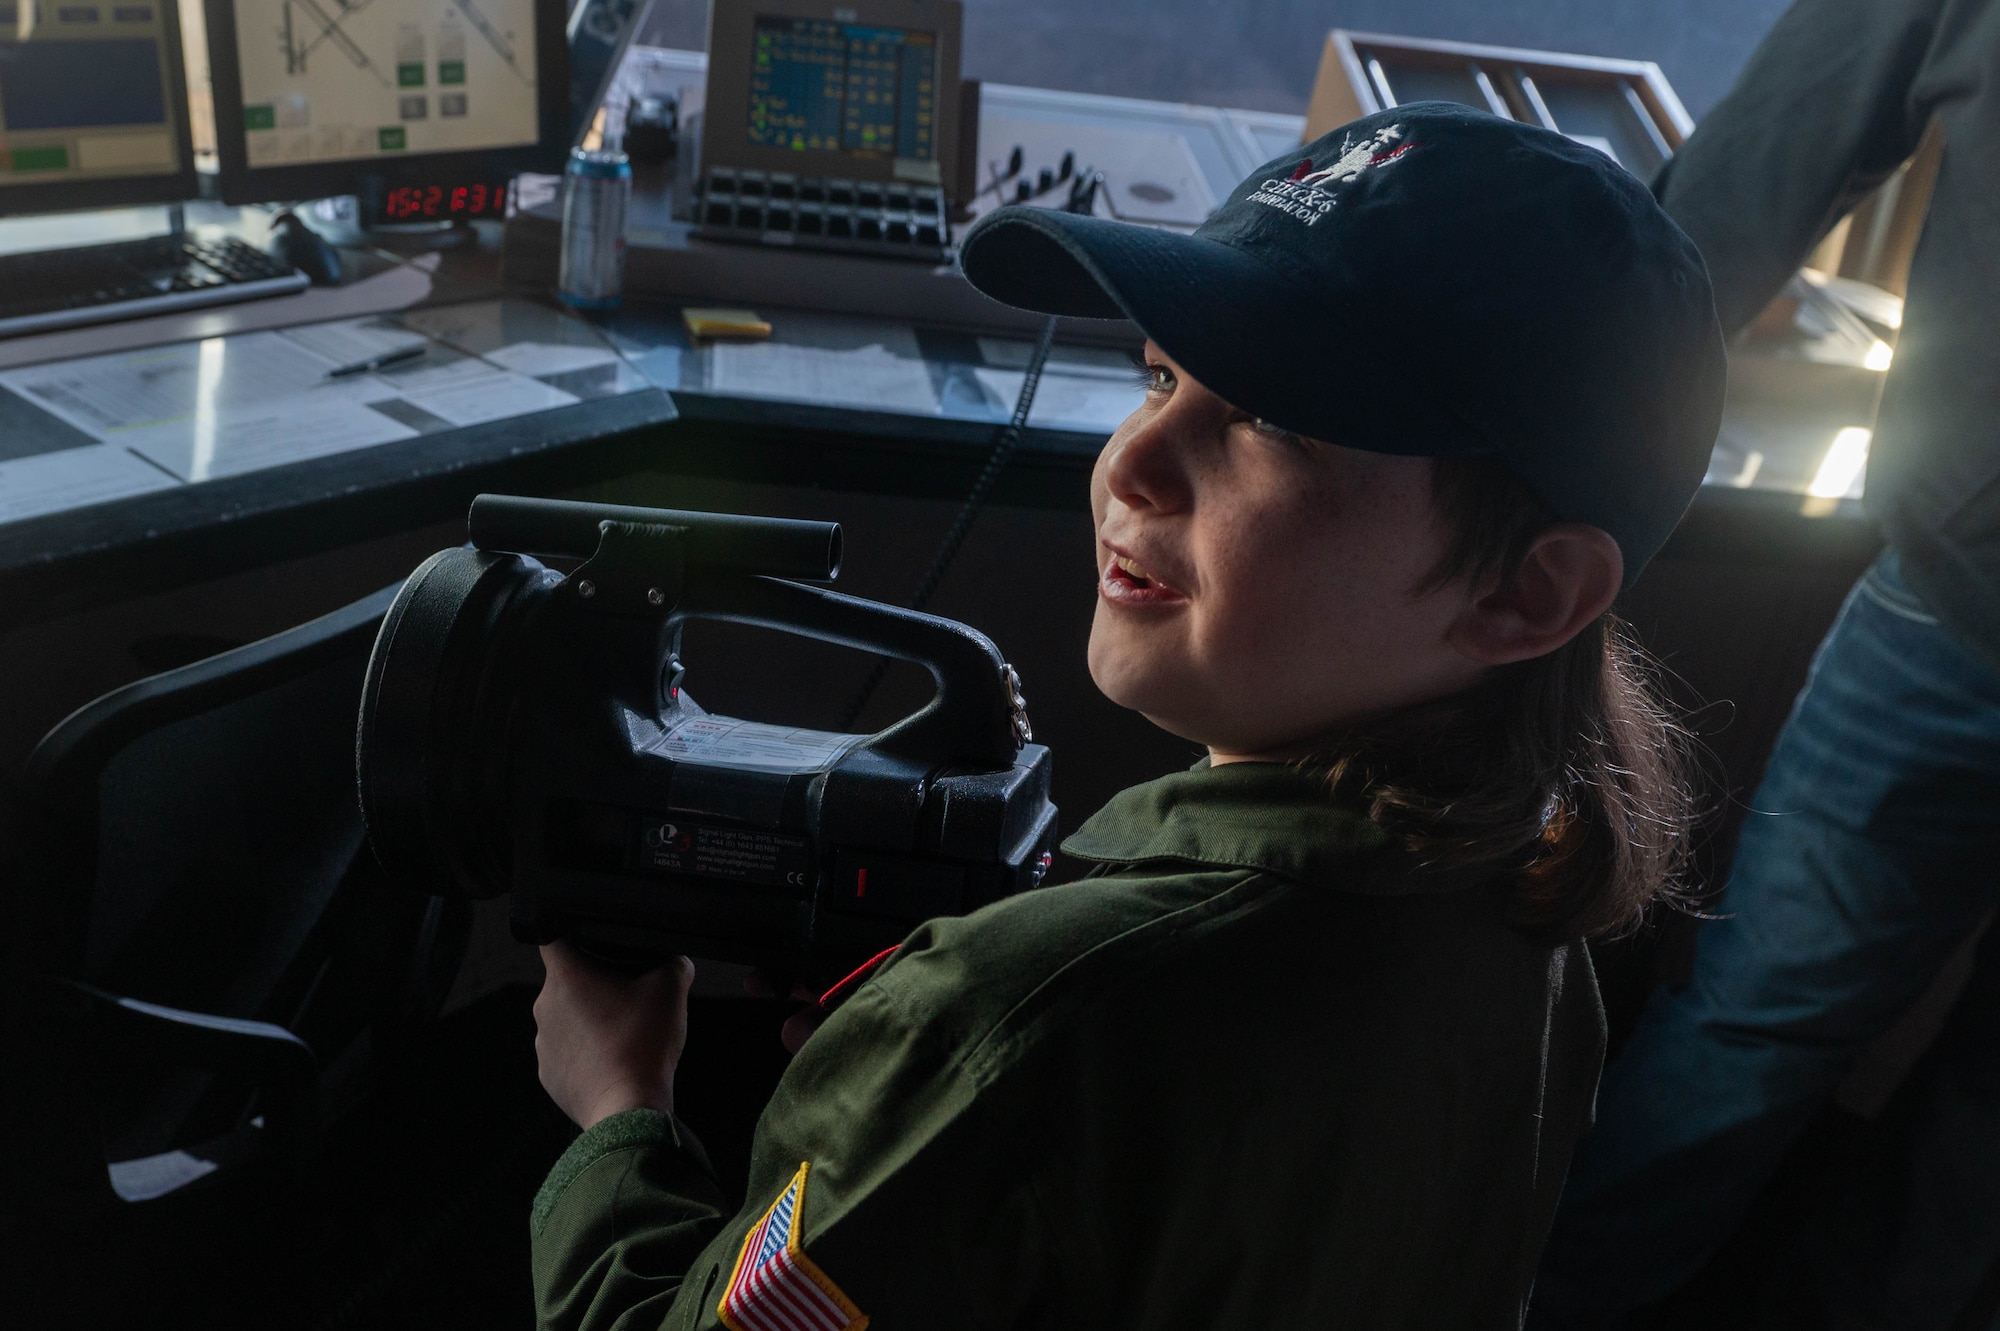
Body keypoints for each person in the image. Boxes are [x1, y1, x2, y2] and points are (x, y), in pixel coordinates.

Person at [527, 102, 1725, 1330]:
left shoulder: (1014, 1020)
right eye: (1156, 375)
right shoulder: (1531, 918)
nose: (1129, 463)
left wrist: (622, 1102)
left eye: (1274, 420)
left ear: (1529, 591)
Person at [1528, 0, 2000, 1325]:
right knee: (1754, 1029)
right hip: (1963, 604)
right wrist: (1557, 415)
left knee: (1796, 1046)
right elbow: (1761, 172)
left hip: (1960, 572)